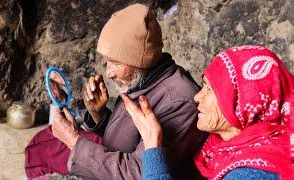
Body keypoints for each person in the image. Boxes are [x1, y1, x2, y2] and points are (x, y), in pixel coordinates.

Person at [50, 3, 207, 180]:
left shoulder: (178, 101)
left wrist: (74, 141)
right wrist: (98, 115)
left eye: (116, 63)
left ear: (140, 61)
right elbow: (130, 140)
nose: (108, 73)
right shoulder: (145, 79)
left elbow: (140, 173)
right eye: (106, 61)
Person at [121, 45, 294, 179]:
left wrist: (152, 144)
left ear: (242, 103)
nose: (197, 96)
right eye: (203, 85)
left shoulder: (251, 173)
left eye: (209, 89)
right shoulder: (223, 147)